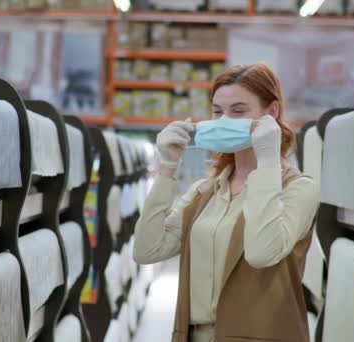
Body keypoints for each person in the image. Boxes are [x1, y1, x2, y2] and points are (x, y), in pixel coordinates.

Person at [133, 63, 320, 342]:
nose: (224, 121)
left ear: (271, 113)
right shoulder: (205, 191)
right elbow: (147, 250)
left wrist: (267, 161)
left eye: (238, 111)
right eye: (217, 112)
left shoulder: (299, 189)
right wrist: (166, 169)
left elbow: (261, 252)